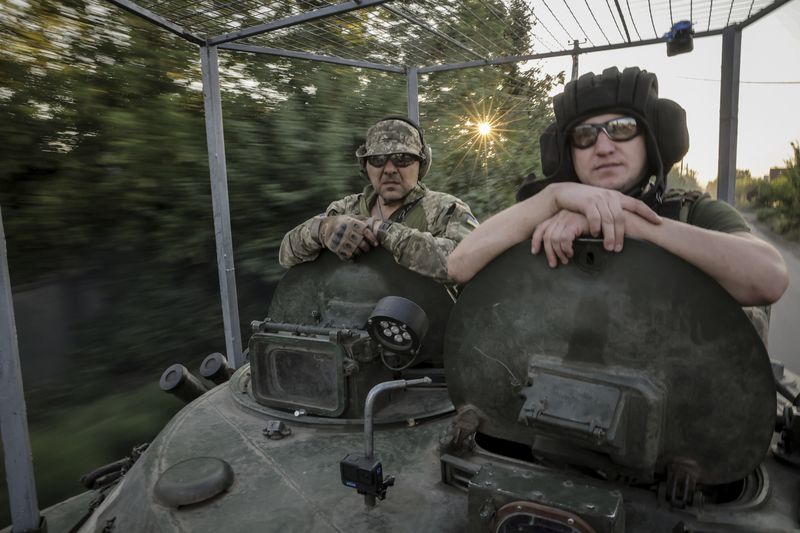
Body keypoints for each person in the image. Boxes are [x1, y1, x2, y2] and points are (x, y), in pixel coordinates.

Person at [448, 67, 788, 307]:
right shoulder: (547, 215)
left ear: (650, 140)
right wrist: (551, 198)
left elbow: (769, 278)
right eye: (584, 136)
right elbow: (459, 265)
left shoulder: (690, 212)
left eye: (622, 128)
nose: (604, 147)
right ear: (569, 153)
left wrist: (630, 221)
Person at [279, 116, 477, 283]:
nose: (389, 169)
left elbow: (466, 262)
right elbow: (286, 254)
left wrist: (382, 231)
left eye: (402, 158)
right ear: (366, 167)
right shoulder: (347, 208)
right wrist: (322, 230)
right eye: (378, 159)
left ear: (421, 164)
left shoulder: (446, 209)